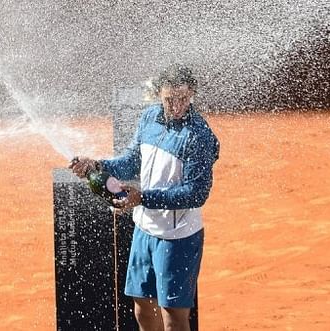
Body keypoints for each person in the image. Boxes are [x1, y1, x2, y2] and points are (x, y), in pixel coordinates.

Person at [70, 64, 219, 331]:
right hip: (144, 230)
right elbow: (131, 162)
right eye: (169, 99)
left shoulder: (199, 136)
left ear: (192, 93)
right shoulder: (149, 117)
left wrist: (143, 198)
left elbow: (197, 193)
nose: (176, 106)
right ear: (158, 95)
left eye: (183, 99)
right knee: (143, 309)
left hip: (178, 238)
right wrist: (98, 166)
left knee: (174, 318)